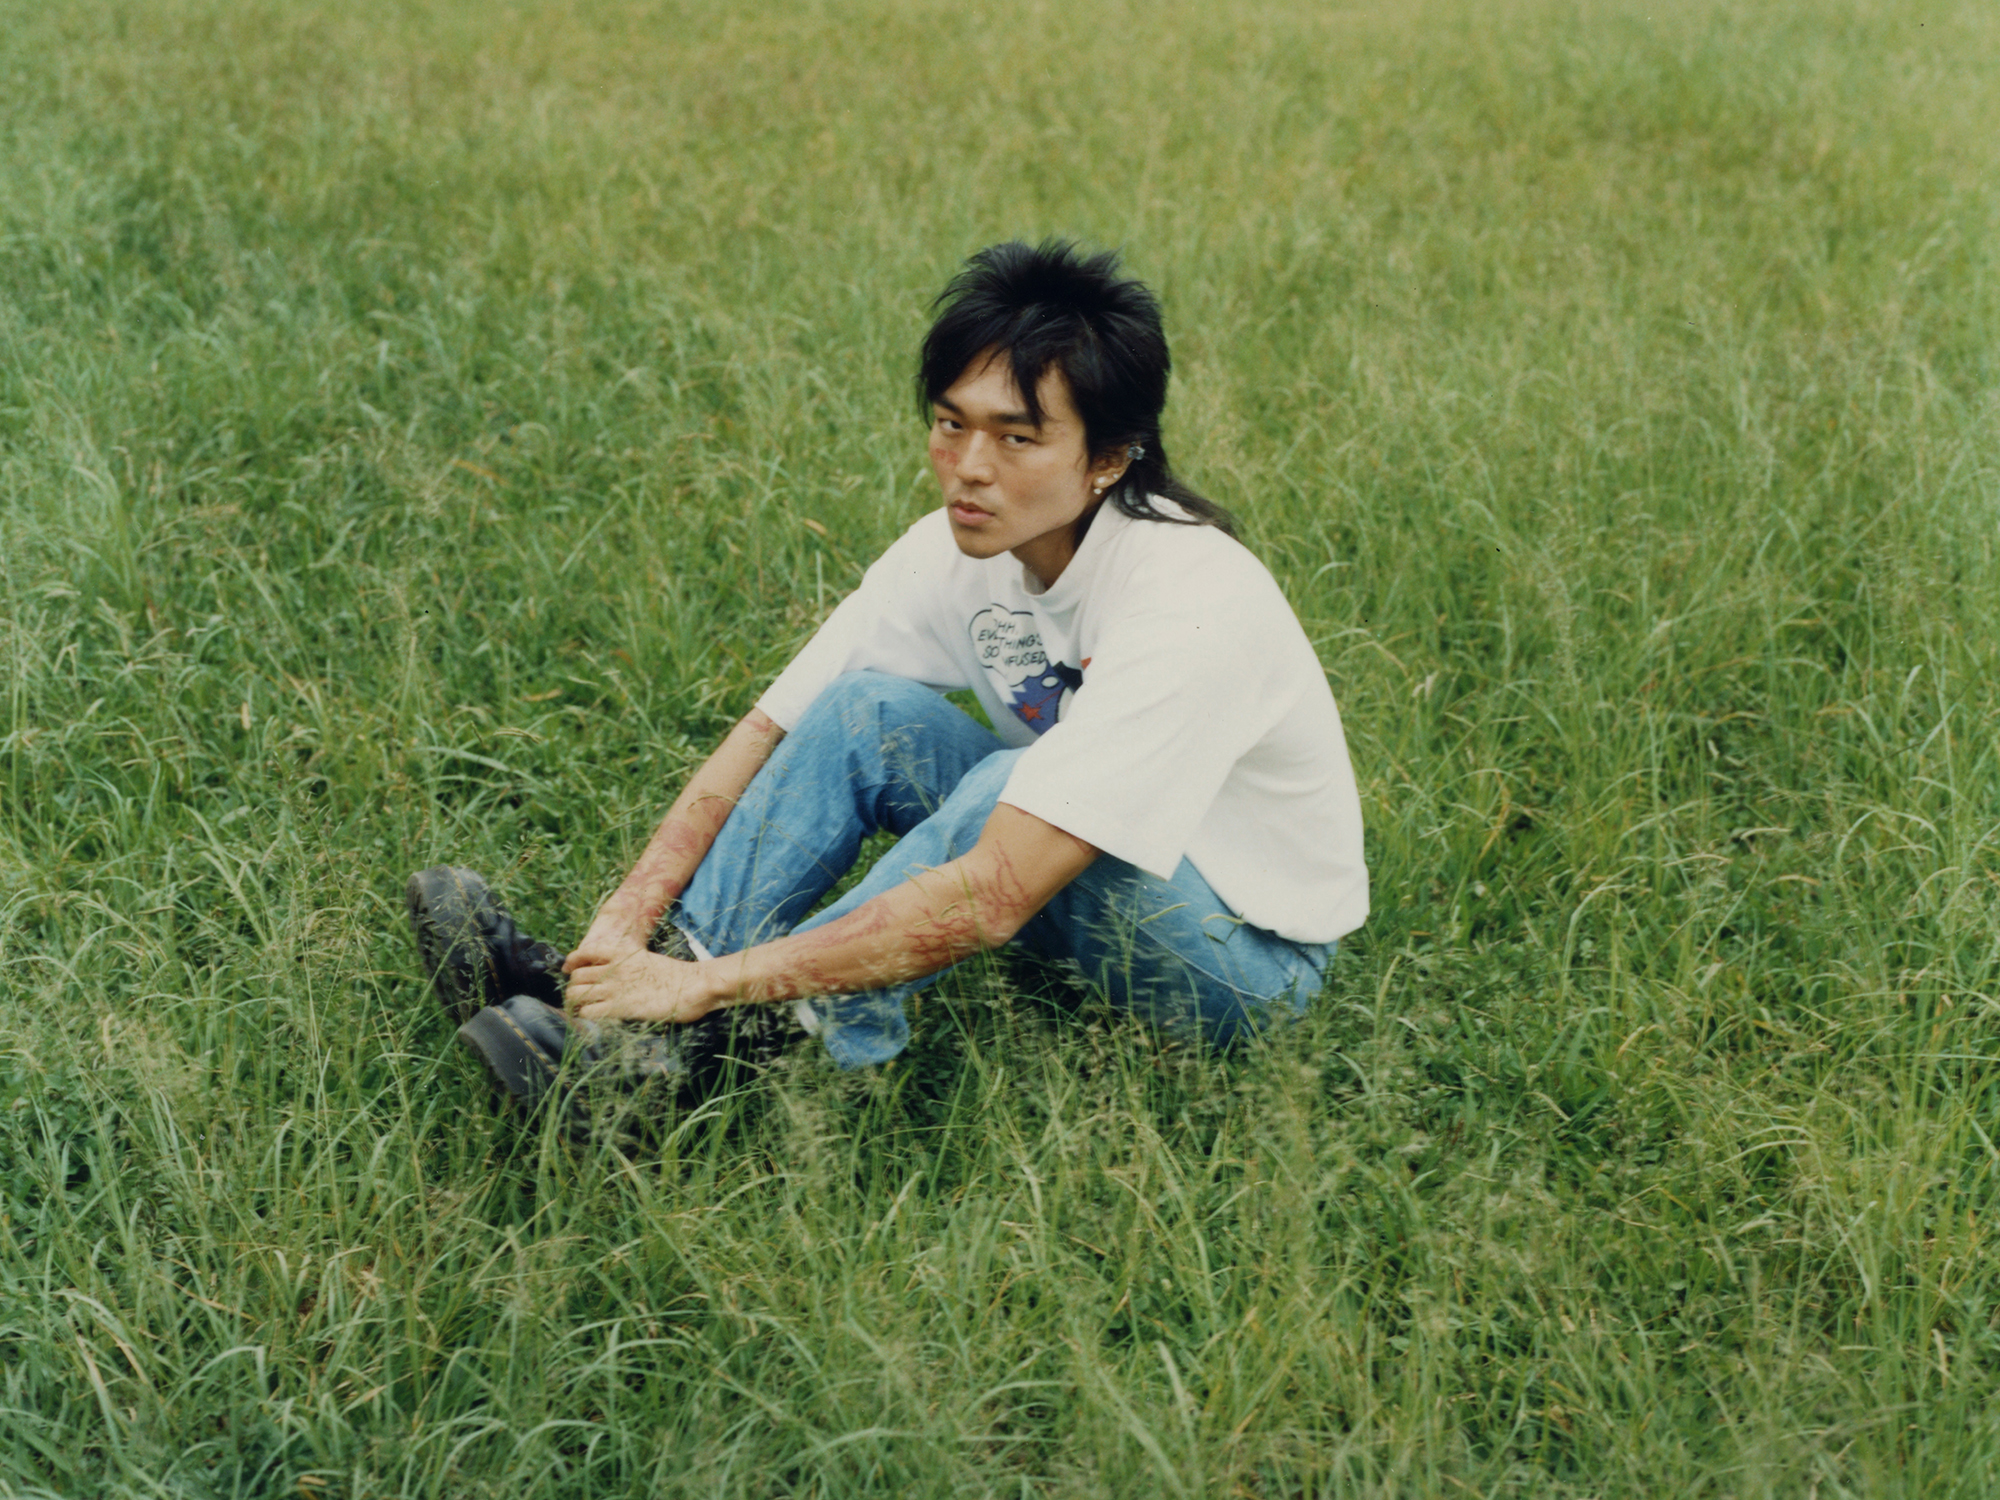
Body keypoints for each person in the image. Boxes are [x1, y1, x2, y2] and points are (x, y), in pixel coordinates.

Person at [410, 239, 1368, 1111]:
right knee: (865, 711)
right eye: (952, 425)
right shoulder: (953, 550)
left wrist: (713, 990)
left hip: (1244, 965)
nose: (968, 469)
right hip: (1073, 869)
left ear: (1110, 459)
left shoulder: (1191, 600)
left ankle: (726, 1057)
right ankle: (632, 1007)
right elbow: (765, 732)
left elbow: (994, 893)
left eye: (1019, 438)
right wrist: (622, 927)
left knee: (1009, 784)